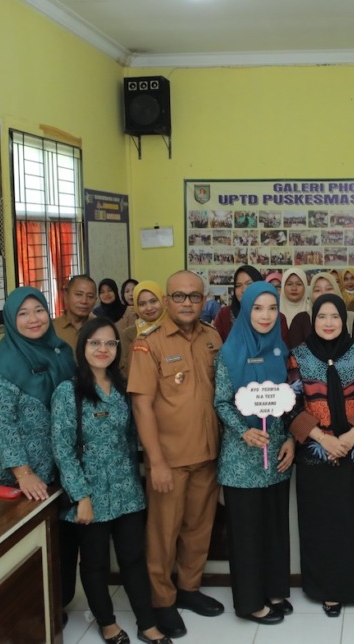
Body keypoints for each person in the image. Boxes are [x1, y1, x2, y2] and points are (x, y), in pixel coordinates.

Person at [52, 318, 172, 644]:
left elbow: (135, 436)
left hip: (127, 490)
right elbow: (63, 450)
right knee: (94, 563)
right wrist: (81, 497)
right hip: (89, 493)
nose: (102, 350)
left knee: (133, 558)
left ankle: (147, 624)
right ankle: (107, 624)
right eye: (95, 343)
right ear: (82, 347)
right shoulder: (69, 392)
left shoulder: (122, 387)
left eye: (110, 344)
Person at [127, 270, 226, 638]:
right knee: (163, 534)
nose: (187, 303)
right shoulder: (148, 343)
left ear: (205, 300)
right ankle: (162, 602)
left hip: (208, 453)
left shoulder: (212, 337)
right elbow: (142, 406)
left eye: (194, 297)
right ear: (167, 301)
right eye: (179, 297)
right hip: (169, 458)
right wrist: (156, 462)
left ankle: (188, 589)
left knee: (199, 529)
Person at [286, 293, 354, 617]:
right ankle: (329, 589)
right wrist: (322, 439)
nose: (328, 323)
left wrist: (352, 435)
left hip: (353, 450)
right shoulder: (299, 355)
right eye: (322, 317)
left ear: (344, 320)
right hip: (315, 453)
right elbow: (292, 404)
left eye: (335, 317)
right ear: (313, 320)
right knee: (321, 522)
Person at [0, 287, 79, 606]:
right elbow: (1, 425)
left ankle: (58, 604)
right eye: (23, 314)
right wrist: (23, 474)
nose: (33, 319)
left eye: (39, 310)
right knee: (24, 548)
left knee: (62, 540)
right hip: (18, 478)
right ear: (11, 319)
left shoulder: (61, 351)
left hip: (60, 468)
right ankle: (30, 613)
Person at [213, 282, 296, 624]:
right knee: (247, 533)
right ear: (246, 310)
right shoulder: (229, 353)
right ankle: (250, 602)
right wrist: (243, 429)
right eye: (258, 308)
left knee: (274, 528)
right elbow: (220, 401)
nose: (265, 315)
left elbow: (293, 401)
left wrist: (290, 437)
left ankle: (274, 589)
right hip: (242, 458)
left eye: (272, 308)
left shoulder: (282, 350)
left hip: (276, 454)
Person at [214, 265, 289, 342]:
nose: (243, 290)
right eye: (238, 285)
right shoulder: (224, 315)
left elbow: (283, 351)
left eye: (249, 284)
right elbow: (216, 349)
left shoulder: (278, 318)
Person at [287, 272, 354, 348]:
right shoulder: (301, 320)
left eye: (329, 289)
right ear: (311, 294)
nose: (323, 293)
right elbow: (297, 355)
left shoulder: (352, 319)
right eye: (317, 290)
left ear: (337, 290)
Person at [119, 280, 167, 378]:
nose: (149, 308)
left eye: (153, 301)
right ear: (136, 307)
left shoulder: (175, 327)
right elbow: (125, 368)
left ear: (163, 300)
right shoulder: (129, 334)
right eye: (142, 304)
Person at [53, 274, 97, 351]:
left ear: (95, 301)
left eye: (90, 296)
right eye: (79, 295)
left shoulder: (100, 328)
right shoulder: (52, 328)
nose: (84, 301)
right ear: (66, 296)